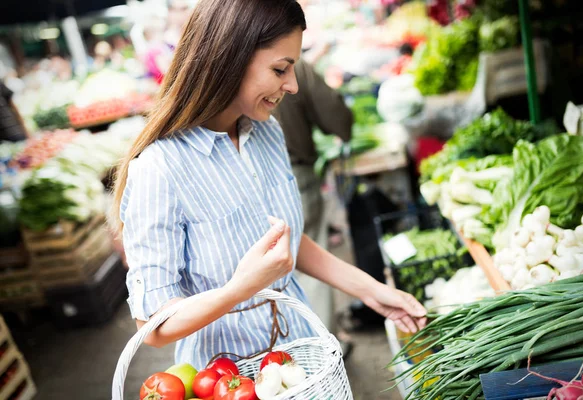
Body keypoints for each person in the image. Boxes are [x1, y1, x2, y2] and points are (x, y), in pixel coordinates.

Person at [111, 0, 426, 370]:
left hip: (303, 354)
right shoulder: (160, 168)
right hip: (229, 379)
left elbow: (284, 242)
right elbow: (153, 325)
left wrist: (373, 291)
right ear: (230, 58)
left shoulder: (265, 131)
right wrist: (240, 287)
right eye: (280, 69)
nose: (292, 86)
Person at [273, 58, 352, 336]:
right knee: (309, 269)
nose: (288, 86)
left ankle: (299, 355)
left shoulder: (228, 67)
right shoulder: (294, 65)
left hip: (274, 177)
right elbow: (336, 115)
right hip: (295, 177)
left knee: (283, 269)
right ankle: (322, 351)